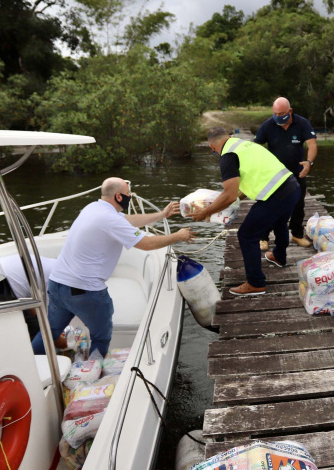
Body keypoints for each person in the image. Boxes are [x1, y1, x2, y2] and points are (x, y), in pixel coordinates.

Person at [31, 178, 196, 356]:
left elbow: (130, 220)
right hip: (85, 290)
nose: (130, 197)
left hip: (57, 284)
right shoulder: (110, 219)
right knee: (101, 337)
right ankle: (93, 375)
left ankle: (34, 367)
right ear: (118, 196)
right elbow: (146, 244)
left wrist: (162, 215)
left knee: (49, 333)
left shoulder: (93, 208)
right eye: (128, 195)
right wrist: (177, 236)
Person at [192, 127, 300, 296]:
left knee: (247, 235)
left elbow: (228, 195)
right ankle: (279, 256)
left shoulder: (227, 156)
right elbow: (236, 193)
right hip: (293, 187)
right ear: (228, 136)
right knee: (279, 222)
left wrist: (206, 212)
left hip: (276, 195)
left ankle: (256, 283)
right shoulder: (245, 145)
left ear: (212, 147)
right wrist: (229, 201)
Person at [254, 96, 318, 250]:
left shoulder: (302, 123)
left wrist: (309, 162)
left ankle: (296, 234)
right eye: (275, 113)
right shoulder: (268, 125)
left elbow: (312, 144)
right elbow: (255, 147)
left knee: (298, 205)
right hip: (273, 174)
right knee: (269, 206)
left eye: (281, 113)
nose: (278, 117)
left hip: (297, 173)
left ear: (290, 111)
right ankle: (263, 237)